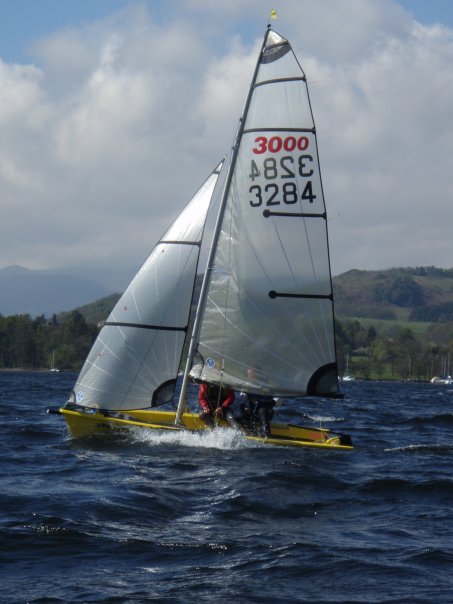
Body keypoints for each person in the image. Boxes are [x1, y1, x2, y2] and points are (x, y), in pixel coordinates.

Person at [237, 368, 276, 438]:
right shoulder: (245, 386)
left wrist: (262, 402)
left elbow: (272, 399)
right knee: (240, 416)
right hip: (250, 411)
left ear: (257, 375)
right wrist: (247, 407)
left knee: (262, 411)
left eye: (252, 374)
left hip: (263, 411)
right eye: (249, 374)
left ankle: (266, 434)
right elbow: (242, 399)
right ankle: (249, 432)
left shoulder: (265, 385)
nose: (250, 376)